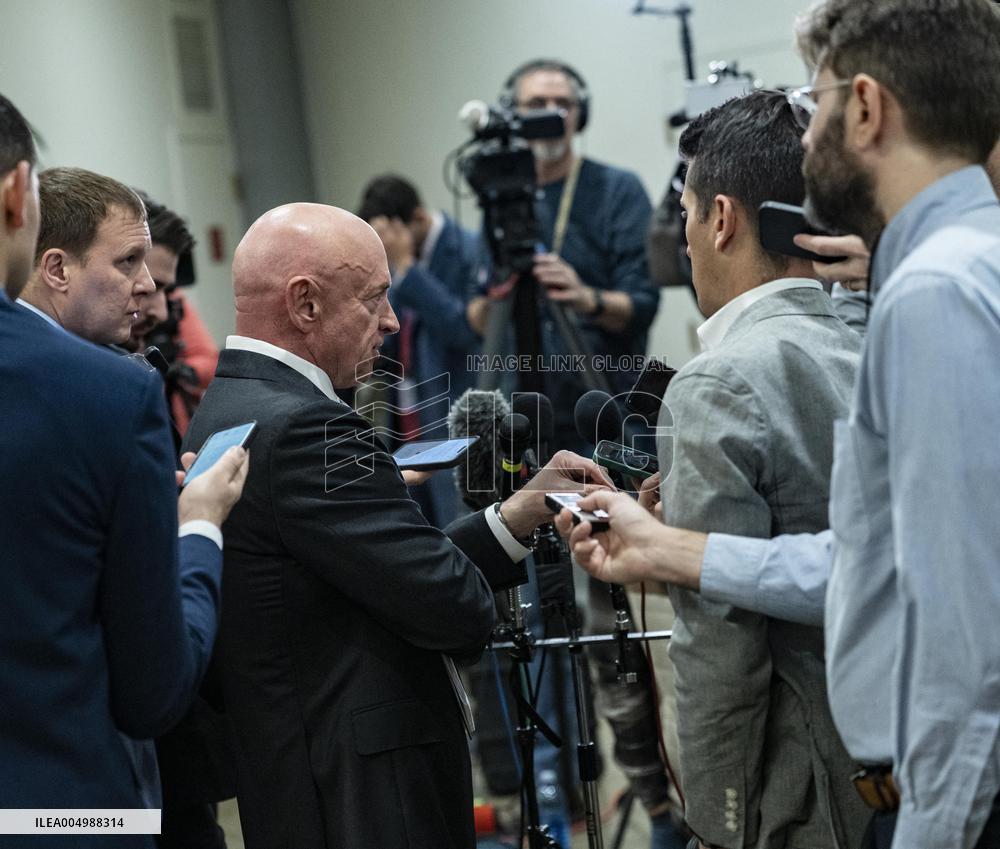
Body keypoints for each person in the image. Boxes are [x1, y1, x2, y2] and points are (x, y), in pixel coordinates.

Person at [559, 1, 1000, 846]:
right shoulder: (927, 284)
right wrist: (670, 548)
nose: (809, 134)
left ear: (866, 106)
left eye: (822, 100)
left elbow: (960, 635)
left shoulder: (931, 294)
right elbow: (884, 563)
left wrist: (721, 820)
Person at [184, 201, 613, 849]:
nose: (390, 320)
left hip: (303, 783)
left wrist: (515, 513)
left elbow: (382, 574)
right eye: (374, 298)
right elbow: (455, 606)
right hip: (366, 800)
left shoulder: (225, 405)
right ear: (305, 304)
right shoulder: (313, 428)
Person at [0, 93, 248, 846]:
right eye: (130, 262)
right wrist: (199, 529)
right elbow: (153, 691)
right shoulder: (105, 394)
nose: (152, 288)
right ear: (18, 195)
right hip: (66, 817)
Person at [656, 89, 866, 849]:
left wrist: (718, 821)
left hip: (798, 797)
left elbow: (720, 648)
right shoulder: (876, 340)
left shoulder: (717, 384)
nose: (683, 240)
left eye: (684, 214)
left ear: (721, 217)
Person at [357, 173, 482, 527]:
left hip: (453, 417)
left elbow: (464, 330)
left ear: (417, 219)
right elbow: (392, 337)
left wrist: (409, 269)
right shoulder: (397, 264)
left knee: (461, 530)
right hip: (409, 424)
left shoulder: (467, 251)